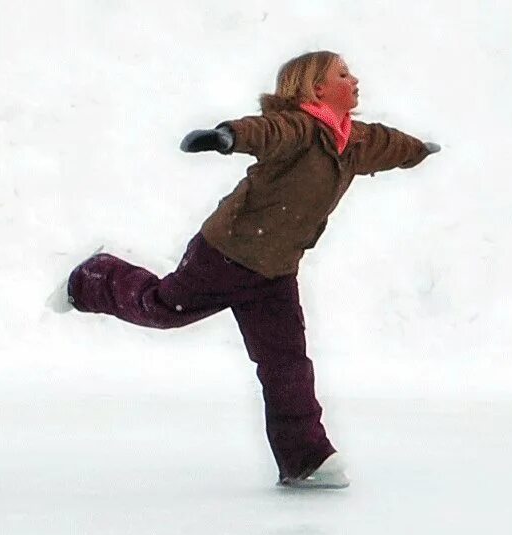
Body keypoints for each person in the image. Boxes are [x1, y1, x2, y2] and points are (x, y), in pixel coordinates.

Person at [48, 51, 439, 489]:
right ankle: (92, 277)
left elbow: (388, 143)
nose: (354, 79)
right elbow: (265, 132)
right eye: (342, 74)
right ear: (316, 89)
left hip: (275, 272)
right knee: (161, 307)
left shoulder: (354, 141)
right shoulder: (298, 129)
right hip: (226, 254)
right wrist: (226, 137)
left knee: (286, 364)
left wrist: (417, 150)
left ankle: (305, 458)